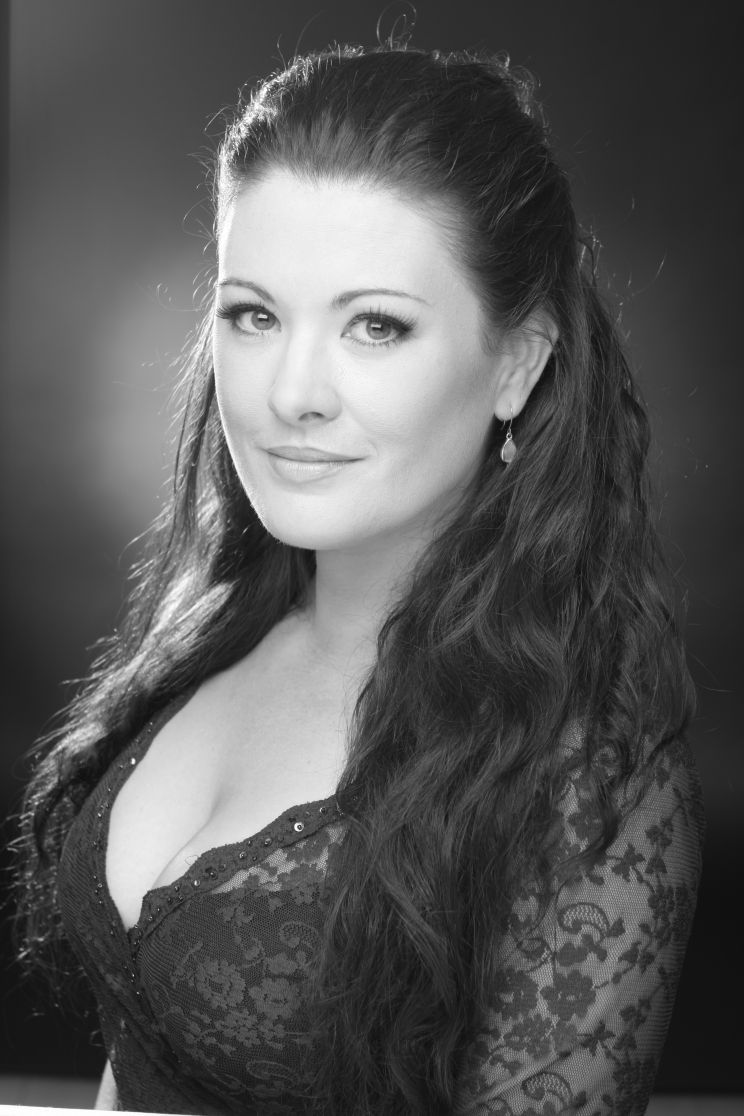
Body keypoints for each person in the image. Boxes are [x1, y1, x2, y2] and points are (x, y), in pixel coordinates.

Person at [14, 40, 704, 1116]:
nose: (292, 391)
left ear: (518, 363)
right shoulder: (218, 627)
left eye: (375, 325)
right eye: (254, 314)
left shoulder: (588, 788)